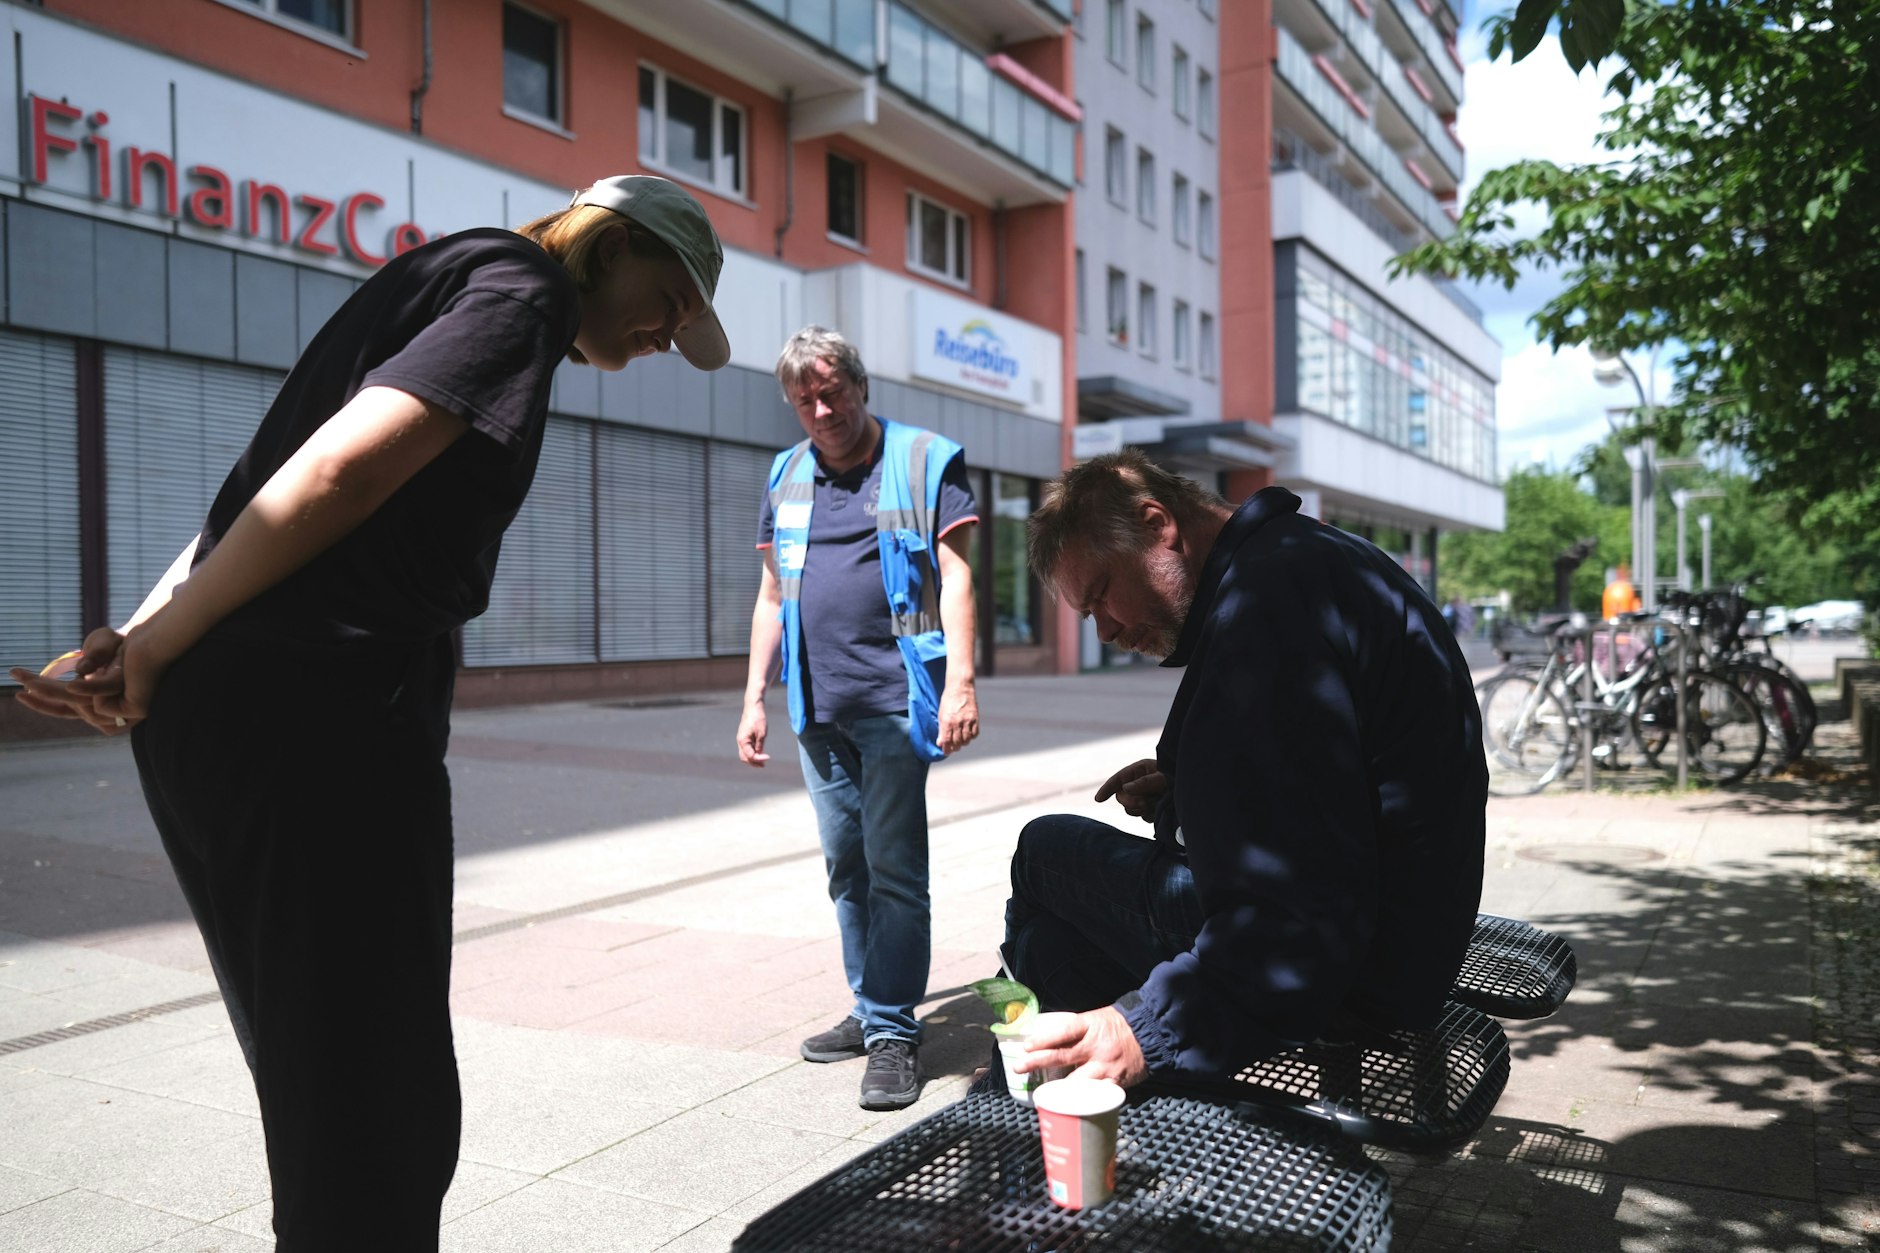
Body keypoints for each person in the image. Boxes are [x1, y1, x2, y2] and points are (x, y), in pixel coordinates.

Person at [8, 174, 729, 1248]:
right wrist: (157, 639)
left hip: (240, 716)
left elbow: (273, 469)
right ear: (605, 241)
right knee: (373, 1108)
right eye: (670, 296)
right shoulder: (523, 291)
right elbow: (339, 471)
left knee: (321, 1076)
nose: (669, 333)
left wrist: (153, 629)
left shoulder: (441, 272)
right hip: (317, 725)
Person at [1000, 451, 1486, 1088]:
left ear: (1157, 525)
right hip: (1407, 936)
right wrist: (1191, 783)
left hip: (1358, 971)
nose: (1107, 631)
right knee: (1048, 950)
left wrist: (1146, 1029)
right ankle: (1048, 1095)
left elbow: (1299, 915)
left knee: (1044, 852)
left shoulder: (1266, 618)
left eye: (1100, 597)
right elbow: (1315, 778)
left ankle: (1037, 1101)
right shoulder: (1304, 561)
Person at [735, 326, 981, 1110]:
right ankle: (872, 1005)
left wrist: (963, 683)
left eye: (832, 389)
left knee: (895, 871)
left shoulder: (920, 458)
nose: (822, 407)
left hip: (894, 702)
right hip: (818, 709)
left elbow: (959, 574)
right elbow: (773, 595)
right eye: (805, 397)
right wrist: (753, 696)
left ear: (860, 385)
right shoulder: (786, 472)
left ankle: (895, 1033)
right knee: (848, 868)